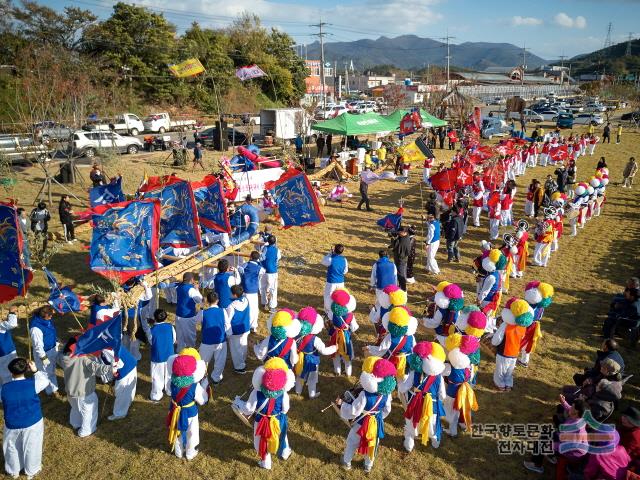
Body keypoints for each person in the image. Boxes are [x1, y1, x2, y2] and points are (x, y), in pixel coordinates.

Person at [336, 357, 396, 473]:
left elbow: (355, 411)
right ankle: (368, 465)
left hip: (361, 423)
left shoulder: (364, 394)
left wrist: (342, 404)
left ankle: (346, 461)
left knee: (352, 441)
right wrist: (378, 417)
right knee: (372, 443)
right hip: (377, 421)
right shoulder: (387, 395)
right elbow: (387, 410)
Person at [233, 357, 294, 470]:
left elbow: (248, 409)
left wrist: (238, 403)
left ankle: (266, 462)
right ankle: (285, 452)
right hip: (278, 419)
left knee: (261, 440)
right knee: (281, 435)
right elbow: (285, 409)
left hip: (261, 421)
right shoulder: (284, 395)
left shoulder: (256, 393)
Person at [1, 357, 50, 479]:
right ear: (26, 369)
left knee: (11, 447)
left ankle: (14, 470)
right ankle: (32, 470)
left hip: (12, 423)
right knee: (32, 446)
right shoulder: (33, 383)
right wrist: (35, 370)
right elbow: (45, 381)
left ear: (11, 372)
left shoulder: (4, 389)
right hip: (33, 421)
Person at [58, 337, 116, 437]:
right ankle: (86, 430)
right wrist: (111, 368)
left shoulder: (63, 357)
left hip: (71, 391)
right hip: (84, 393)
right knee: (89, 411)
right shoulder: (83, 360)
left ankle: (75, 423)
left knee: (76, 408)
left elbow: (60, 352)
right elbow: (98, 368)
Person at [399, 341, 447, 452]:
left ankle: (409, 444)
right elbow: (442, 395)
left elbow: (403, 388)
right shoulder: (439, 377)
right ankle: (435, 441)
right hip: (432, 407)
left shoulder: (414, 373)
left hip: (415, 404)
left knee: (412, 422)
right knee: (432, 424)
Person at [166, 349, 208, 460]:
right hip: (190, 412)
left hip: (175, 410)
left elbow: (169, 391)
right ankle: (190, 452)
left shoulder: (171, 382)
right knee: (192, 433)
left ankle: (178, 452)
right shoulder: (194, 386)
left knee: (177, 431)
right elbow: (203, 400)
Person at [294, 307, 337, 398]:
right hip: (312, 360)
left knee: (300, 375)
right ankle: (312, 394)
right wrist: (334, 348)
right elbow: (324, 351)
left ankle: (298, 391)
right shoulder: (315, 340)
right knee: (312, 378)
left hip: (299, 359)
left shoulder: (296, 335)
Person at [491, 299, 533, 391]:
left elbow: (497, 338)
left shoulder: (505, 325)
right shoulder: (523, 326)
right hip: (514, 353)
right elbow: (523, 340)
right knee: (509, 370)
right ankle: (508, 383)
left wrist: (493, 342)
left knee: (501, 370)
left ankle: (500, 384)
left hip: (504, 352)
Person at [101, 344, 137, 420]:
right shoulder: (107, 340)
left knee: (121, 391)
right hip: (130, 362)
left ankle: (120, 413)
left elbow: (119, 363)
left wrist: (113, 372)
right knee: (128, 389)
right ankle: (128, 402)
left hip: (125, 368)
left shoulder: (106, 350)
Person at [147, 309, 176, 402]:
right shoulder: (170, 327)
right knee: (170, 374)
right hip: (170, 355)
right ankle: (170, 390)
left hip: (157, 356)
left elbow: (151, 342)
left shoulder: (151, 330)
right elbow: (174, 340)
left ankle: (156, 395)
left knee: (157, 376)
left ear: (154, 318)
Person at [30, 305, 58, 395]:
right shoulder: (35, 329)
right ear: (44, 315)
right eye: (50, 315)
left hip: (52, 349)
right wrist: (44, 357)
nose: (51, 317)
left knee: (52, 370)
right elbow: (38, 345)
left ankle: (54, 388)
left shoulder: (47, 320)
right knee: (45, 373)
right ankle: (50, 391)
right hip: (45, 353)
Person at [174, 272, 203, 352]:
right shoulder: (191, 290)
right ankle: (191, 352)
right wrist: (197, 289)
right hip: (187, 317)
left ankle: (180, 351)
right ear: (192, 279)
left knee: (180, 337)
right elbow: (200, 300)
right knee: (190, 337)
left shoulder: (179, 286)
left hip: (178, 315)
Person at [225, 285, 251, 374]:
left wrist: (228, 333)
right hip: (245, 327)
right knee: (243, 345)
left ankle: (239, 367)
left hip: (235, 331)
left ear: (235, 295)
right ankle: (243, 360)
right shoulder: (246, 300)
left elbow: (228, 320)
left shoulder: (231, 306)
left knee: (236, 349)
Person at [238, 251, 264, 331]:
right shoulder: (260, 269)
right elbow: (261, 274)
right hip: (253, 292)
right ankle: (253, 326)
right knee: (254, 309)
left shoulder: (245, 265)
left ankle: (244, 323)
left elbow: (240, 269)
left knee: (243, 307)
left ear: (250, 257)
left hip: (244, 290)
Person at [321, 244, 349, 312]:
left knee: (328, 297)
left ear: (334, 250)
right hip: (341, 282)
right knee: (339, 298)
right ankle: (338, 310)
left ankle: (327, 312)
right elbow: (345, 271)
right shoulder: (344, 259)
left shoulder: (330, 259)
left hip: (331, 282)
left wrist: (329, 253)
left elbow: (323, 262)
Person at [0, 306, 19, 398]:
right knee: (11, 375)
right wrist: (11, 313)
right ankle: (12, 395)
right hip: (6, 353)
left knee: (3, 377)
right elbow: (12, 324)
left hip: (5, 353)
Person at [260, 234, 281, 313]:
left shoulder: (264, 248)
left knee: (263, 287)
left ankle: (263, 302)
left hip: (264, 270)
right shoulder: (277, 250)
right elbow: (278, 258)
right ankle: (272, 307)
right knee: (273, 289)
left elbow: (261, 257)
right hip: (272, 272)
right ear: (275, 242)